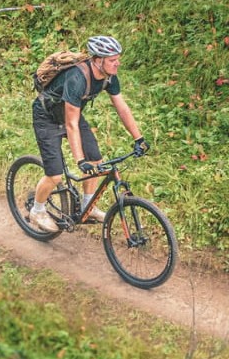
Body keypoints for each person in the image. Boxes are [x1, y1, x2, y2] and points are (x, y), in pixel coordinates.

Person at [27, 35, 148, 232]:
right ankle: (37, 210)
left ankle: (87, 205)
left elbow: (122, 107)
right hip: (46, 117)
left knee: (96, 161)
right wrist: (79, 159)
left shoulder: (109, 77)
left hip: (70, 115)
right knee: (55, 174)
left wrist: (138, 138)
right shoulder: (77, 78)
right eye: (112, 60)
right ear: (98, 60)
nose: (117, 63)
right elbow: (71, 124)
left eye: (118, 58)